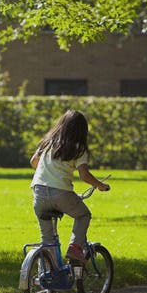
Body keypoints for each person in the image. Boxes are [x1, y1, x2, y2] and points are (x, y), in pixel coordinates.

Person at [30, 109, 110, 264]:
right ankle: (75, 247)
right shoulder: (78, 148)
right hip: (61, 193)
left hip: (39, 192)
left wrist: (48, 169)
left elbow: (33, 162)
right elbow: (84, 175)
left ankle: (46, 276)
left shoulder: (49, 142)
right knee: (83, 215)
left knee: (47, 240)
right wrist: (100, 185)